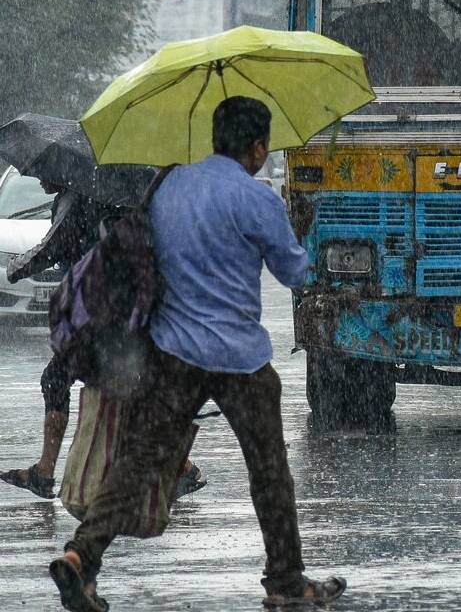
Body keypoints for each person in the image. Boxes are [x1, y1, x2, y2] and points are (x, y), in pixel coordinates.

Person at [48, 97, 345, 612]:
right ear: (256, 148)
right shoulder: (256, 200)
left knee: (140, 461)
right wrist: (302, 229)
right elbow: (297, 274)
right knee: (269, 470)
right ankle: (285, 579)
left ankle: (81, 555)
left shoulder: (167, 187)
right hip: (242, 361)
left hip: (173, 354)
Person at [1, 183, 205, 500]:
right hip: (124, 310)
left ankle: (44, 472)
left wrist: (15, 270)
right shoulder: (123, 197)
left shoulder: (76, 199)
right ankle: (183, 468)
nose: (40, 180)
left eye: (44, 173)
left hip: (98, 313)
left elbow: (51, 247)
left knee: (61, 380)